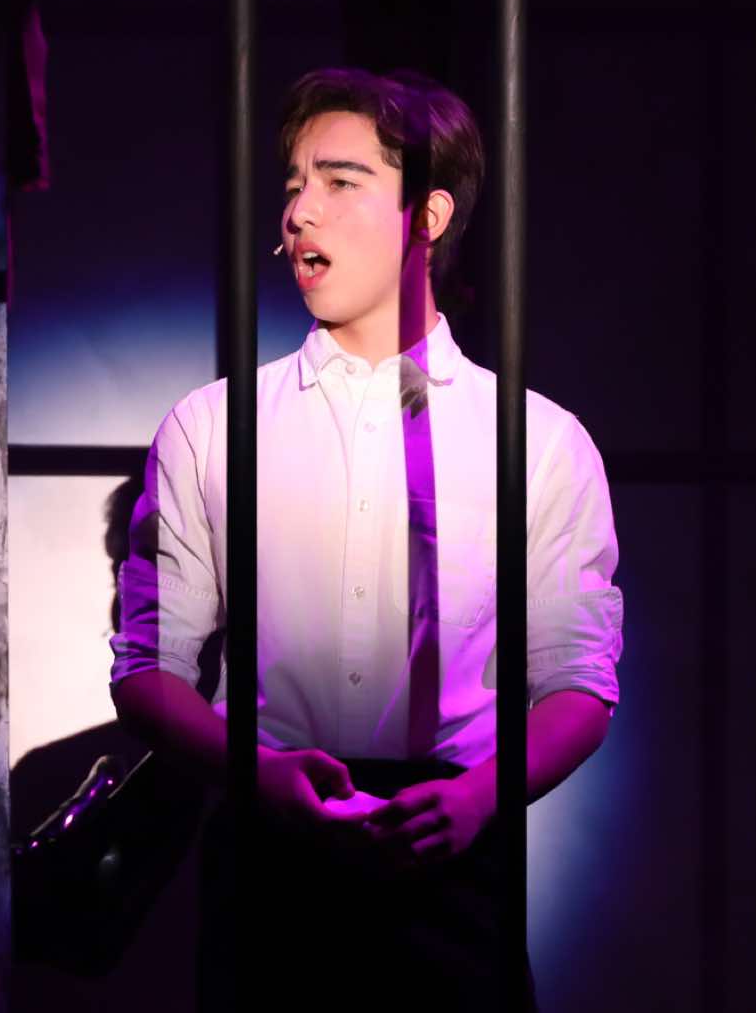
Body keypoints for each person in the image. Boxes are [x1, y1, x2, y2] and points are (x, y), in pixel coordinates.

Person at [108, 67, 624, 1010]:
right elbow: (147, 669)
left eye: (340, 181)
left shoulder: (539, 441)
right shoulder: (212, 426)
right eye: (294, 183)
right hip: (268, 864)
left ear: (427, 215)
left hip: (454, 858)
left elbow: (579, 684)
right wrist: (258, 775)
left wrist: (477, 797)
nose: (299, 210)